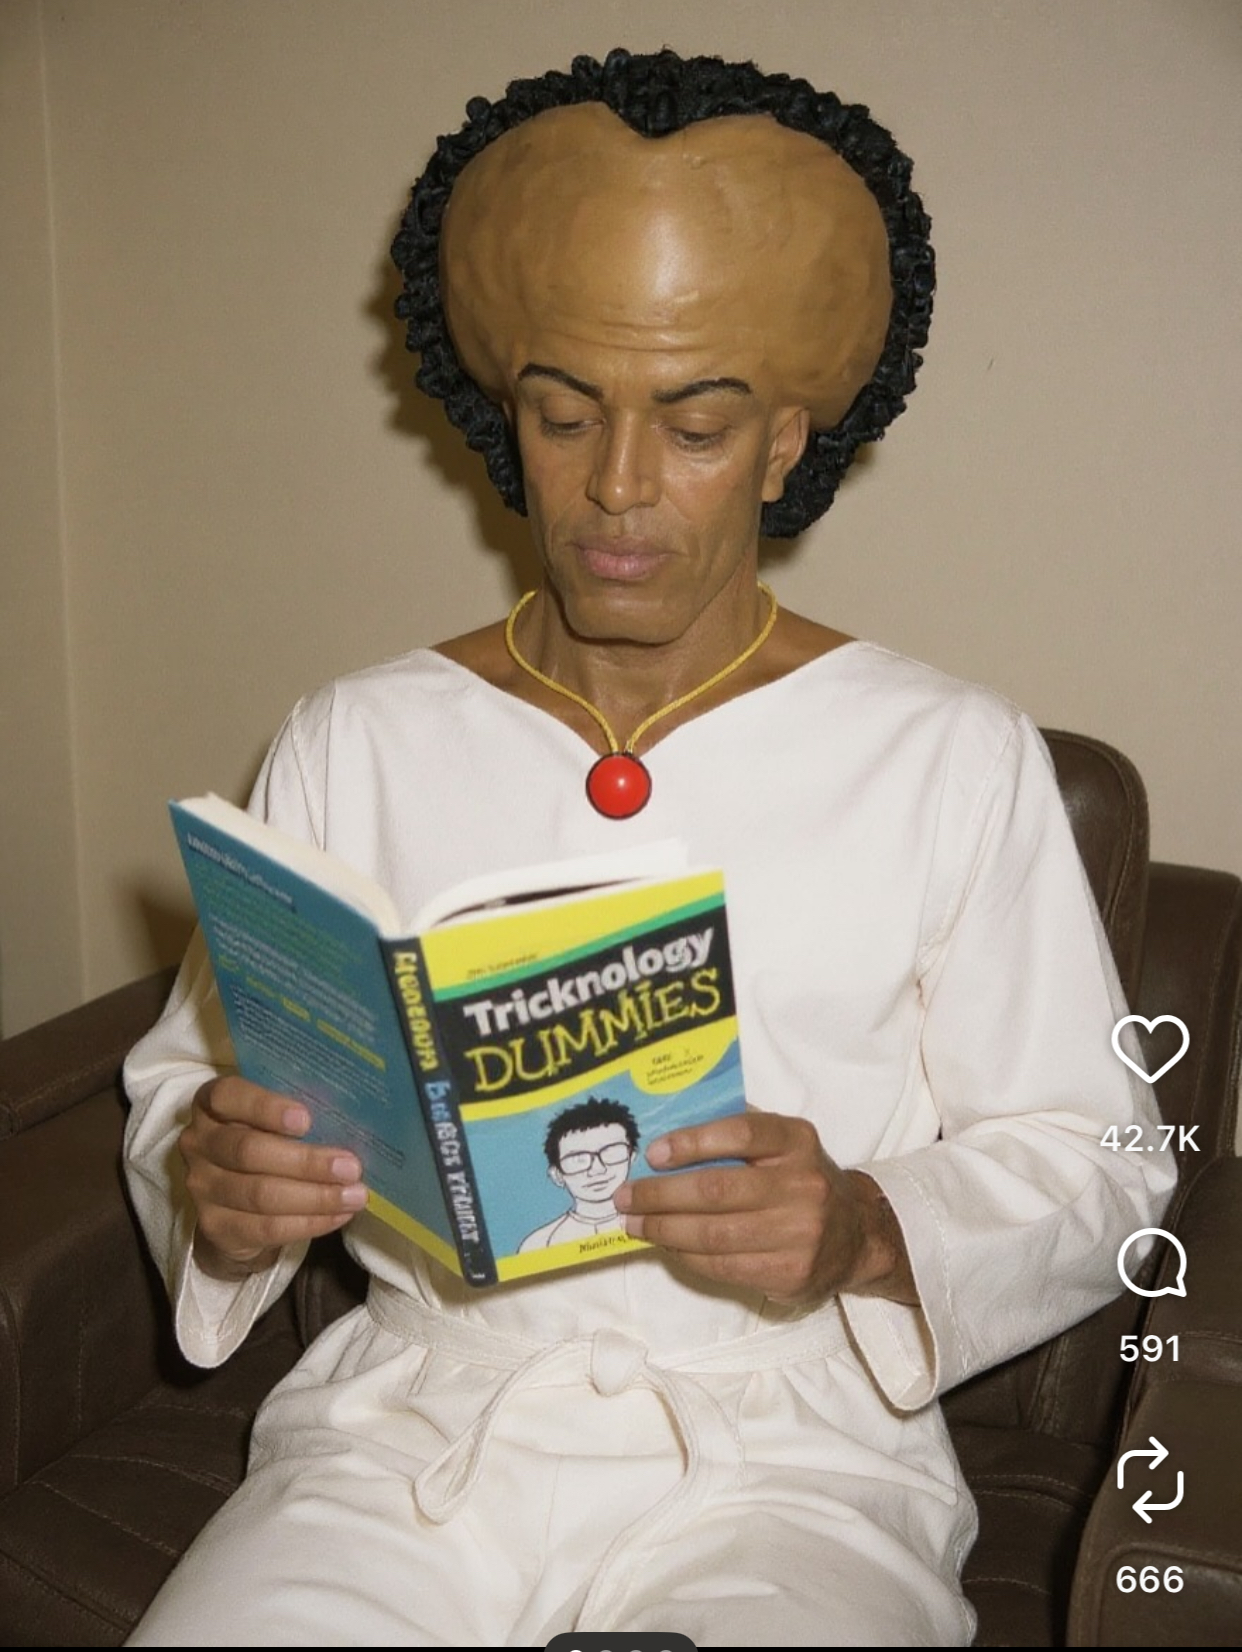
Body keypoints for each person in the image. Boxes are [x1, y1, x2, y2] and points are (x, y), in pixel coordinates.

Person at [122, 47, 1174, 1647]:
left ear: (784, 440)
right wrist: (219, 1179)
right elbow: (183, 1085)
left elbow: (1101, 1157)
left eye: (693, 426)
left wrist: (865, 1224)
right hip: (410, 1438)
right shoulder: (357, 734)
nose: (615, 489)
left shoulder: (945, 752)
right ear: (508, 418)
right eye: (564, 416)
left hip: (792, 1454)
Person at [519, 1098, 641, 1252]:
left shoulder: (655, 1222)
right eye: (578, 1160)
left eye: (611, 1152)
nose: (597, 1169)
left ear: (631, 1156)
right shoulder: (539, 1244)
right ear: (557, 1174)